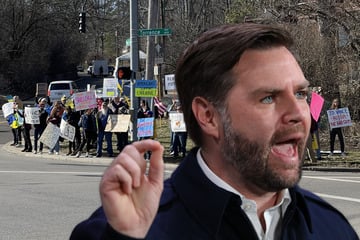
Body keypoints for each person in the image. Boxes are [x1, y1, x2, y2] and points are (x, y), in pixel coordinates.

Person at [70, 23, 358, 239]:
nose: (297, 113)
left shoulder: (331, 227)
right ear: (208, 116)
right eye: (268, 97)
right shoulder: (131, 229)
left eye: (300, 93)